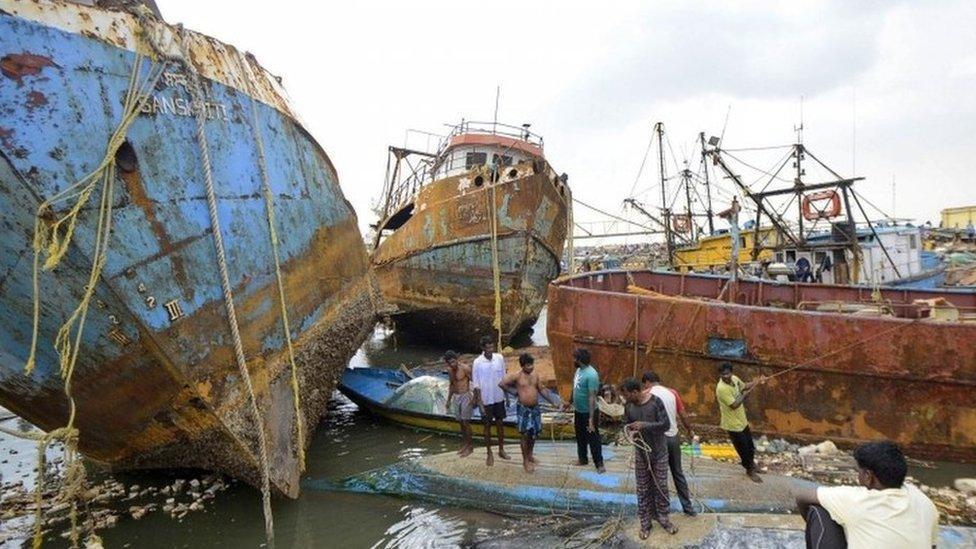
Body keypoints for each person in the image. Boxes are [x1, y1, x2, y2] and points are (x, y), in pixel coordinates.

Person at [795, 441, 939, 549]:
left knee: (819, 510)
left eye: (860, 471)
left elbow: (802, 496)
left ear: (869, 476)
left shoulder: (855, 499)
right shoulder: (925, 502)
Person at [620, 378, 677, 538]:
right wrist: (630, 431)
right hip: (641, 454)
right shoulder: (628, 406)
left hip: (659, 452)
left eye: (626, 395)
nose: (625, 398)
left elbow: (665, 425)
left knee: (661, 486)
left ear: (635, 392)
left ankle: (664, 518)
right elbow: (625, 424)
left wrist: (645, 425)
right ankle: (645, 523)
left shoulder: (655, 402)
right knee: (643, 489)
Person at [642, 371, 697, 516]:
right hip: (673, 437)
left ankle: (659, 511)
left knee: (658, 475)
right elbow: (683, 415)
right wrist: (690, 431)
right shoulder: (672, 393)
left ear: (647, 382)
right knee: (678, 472)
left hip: (657, 440)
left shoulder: (645, 394)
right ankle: (688, 507)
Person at [499, 353, 557, 472]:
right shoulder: (517, 376)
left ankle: (530, 455)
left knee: (534, 433)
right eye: (528, 365)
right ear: (522, 366)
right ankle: (525, 461)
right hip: (523, 409)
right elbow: (502, 383)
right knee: (525, 434)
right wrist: (514, 392)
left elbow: (542, 389)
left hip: (535, 408)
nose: (531, 367)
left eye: (532, 364)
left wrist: (553, 402)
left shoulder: (535, 375)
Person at [715, 362, 763, 482]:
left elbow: (744, 386)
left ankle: (751, 465)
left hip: (742, 420)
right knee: (743, 449)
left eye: (728, 373)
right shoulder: (721, 389)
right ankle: (749, 470)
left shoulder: (735, 379)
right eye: (723, 374)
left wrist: (756, 382)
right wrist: (745, 396)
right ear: (720, 375)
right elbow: (734, 405)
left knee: (750, 446)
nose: (726, 376)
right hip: (732, 424)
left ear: (731, 372)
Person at [472, 335, 509, 466]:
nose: (490, 350)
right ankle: (489, 453)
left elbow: (504, 378)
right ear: (483, 348)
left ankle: (501, 449)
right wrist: (480, 404)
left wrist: (507, 397)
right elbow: (476, 385)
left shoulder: (499, 358)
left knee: (500, 423)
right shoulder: (477, 362)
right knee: (487, 426)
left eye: (492, 347)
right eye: (487, 348)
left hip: (499, 397)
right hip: (486, 399)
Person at [568, 347, 604, 473]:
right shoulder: (578, 370)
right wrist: (569, 402)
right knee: (580, 436)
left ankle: (599, 463)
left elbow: (592, 397)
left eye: (574, 358)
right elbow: (575, 388)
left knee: (593, 437)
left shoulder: (591, 374)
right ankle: (582, 459)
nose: (573, 360)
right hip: (578, 411)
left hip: (589, 413)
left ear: (579, 360)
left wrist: (590, 418)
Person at [444, 350, 474, 457]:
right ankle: (464, 444)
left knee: (466, 422)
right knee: (461, 423)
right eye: (450, 363)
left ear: (457, 359)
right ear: (447, 364)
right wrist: (448, 400)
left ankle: (470, 447)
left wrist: (475, 398)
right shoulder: (450, 370)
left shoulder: (465, 368)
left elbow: (475, 382)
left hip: (466, 395)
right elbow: (451, 385)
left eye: (454, 361)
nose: (453, 364)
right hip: (456, 397)